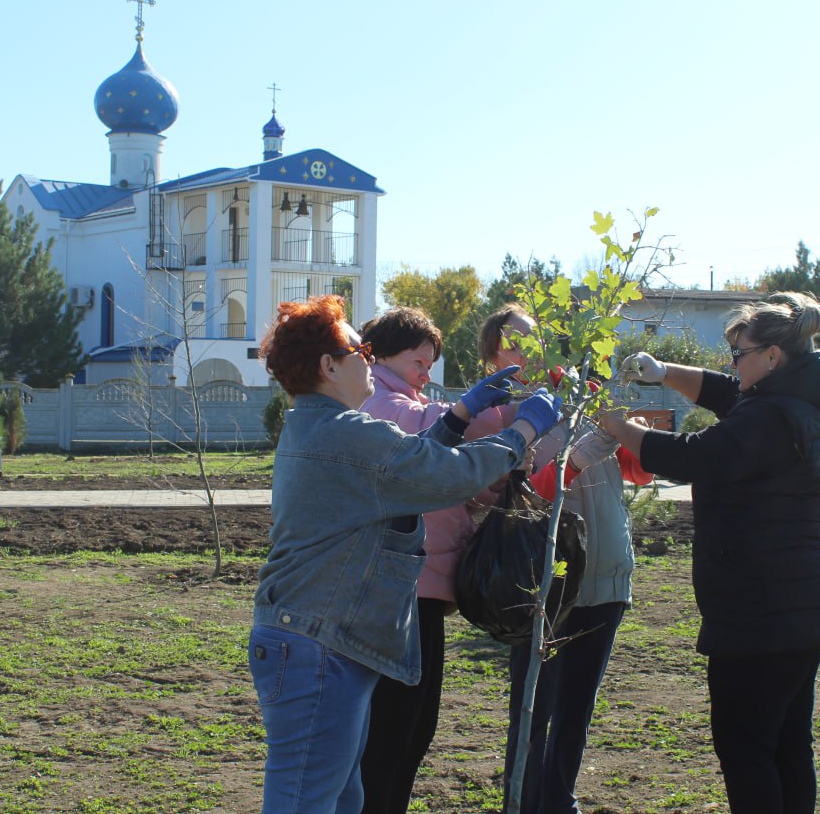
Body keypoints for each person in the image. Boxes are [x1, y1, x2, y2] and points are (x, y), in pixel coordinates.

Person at [248, 294, 564, 814]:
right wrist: (523, 429)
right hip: (317, 645)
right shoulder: (347, 433)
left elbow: (409, 466)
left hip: (315, 636)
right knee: (306, 800)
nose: (369, 359)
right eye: (361, 351)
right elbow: (446, 474)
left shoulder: (321, 426)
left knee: (342, 796)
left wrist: (460, 415)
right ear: (329, 366)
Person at [600, 291, 820, 814]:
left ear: (772, 357)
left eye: (739, 354)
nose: (733, 365)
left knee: (746, 748)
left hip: (763, 612)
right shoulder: (797, 397)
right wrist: (663, 372)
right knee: (786, 742)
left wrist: (617, 425)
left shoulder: (771, 417)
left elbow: (696, 457)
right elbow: (726, 392)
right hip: (799, 604)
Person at [356, 306, 597, 814]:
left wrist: (503, 479)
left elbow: (456, 479)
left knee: (415, 728)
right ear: (379, 356)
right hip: (402, 587)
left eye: (430, 364)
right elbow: (431, 430)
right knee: (393, 729)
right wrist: (509, 417)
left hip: (432, 584)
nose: (426, 374)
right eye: (418, 362)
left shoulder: (414, 399)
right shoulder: (378, 402)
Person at [478, 302, 653, 814]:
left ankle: (560, 803)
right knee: (534, 711)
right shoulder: (498, 415)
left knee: (577, 711)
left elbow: (637, 473)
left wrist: (636, 439)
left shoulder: (588, 396)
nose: (527, 350)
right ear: (493, 357)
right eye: (513, 341)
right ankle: (524, 804)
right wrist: (572, 460)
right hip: (545, 582)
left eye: (534, 337)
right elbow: (511, 497)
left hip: (605, 571)